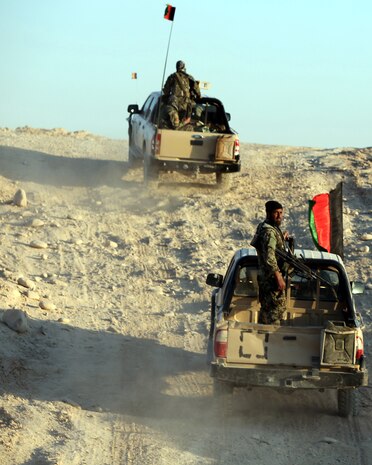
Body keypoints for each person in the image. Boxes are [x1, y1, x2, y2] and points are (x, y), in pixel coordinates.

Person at [250, 200, 290, 325]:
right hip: (271, 280)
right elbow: (269, 257)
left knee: (266, 310)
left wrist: (281, 239)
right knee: (275, 312)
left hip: (265, 278)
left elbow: (267, 245)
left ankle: (262, 336)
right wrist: (278, 276)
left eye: (281, 213)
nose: (279, 216)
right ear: (268, 213)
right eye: (276, 213)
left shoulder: (265, 227)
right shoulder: (269, 232)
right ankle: (273, 339)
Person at [162, 60, 201, 129]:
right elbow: (196, 90)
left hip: (174, 103)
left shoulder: (172, 77)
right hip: (185, 104)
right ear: (184, 67)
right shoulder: (189, 77)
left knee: (173, 122)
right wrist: (198, 96)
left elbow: (166, 91)